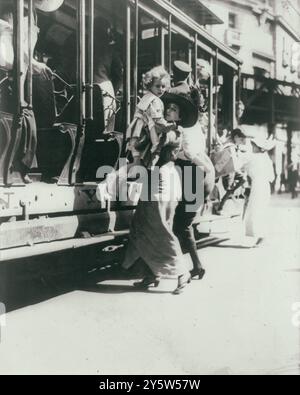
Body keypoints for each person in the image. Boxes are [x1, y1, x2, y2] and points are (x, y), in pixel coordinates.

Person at [0, 0, 61, 183]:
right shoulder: (10, 10)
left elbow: (24, 49)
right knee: (21, 119)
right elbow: (8, 51)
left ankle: (18, 169)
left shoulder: (31, 12)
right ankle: (13, 169)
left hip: (21, 75)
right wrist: (34, 63)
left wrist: (33, 64)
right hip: (8, 74)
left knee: (27, 122)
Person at [162, 93, 215, 280]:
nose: (168, 110)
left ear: (181, 115)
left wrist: (206, 168)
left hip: (192, 175)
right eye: (168, 108)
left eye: (173, 109)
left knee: (181, 225)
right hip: (191, 175)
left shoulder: (184, 131)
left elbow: (192, 155)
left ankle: (184, 269)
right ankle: (196, 266)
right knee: (183, 225)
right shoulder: (188, 128)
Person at [61, 17, 123, 133]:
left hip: (77, 91)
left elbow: (66, 66)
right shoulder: (111, 51)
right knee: (102, 131)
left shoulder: (79, 44)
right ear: (107, 32)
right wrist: (112, 92)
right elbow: (118, 76)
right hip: (103, 93)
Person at [126, 66, 176, 170]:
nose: (161, 89)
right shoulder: (155, 100)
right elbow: (157, 120)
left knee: (136, 163)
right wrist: (169, 126)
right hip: (144, 134)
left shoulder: (147, 97)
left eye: (163, 86)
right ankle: (114, 178)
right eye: (157, 86)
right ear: (149, 85)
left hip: (136, 133)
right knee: (143, 161)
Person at [242, 136, 275, 246]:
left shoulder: (253, 157)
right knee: (260, 210)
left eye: (254, 146)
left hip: (258, 186)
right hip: (265, 186)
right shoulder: (266, 159)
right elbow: (272, 177)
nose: (252, 147)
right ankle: (261, 236)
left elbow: (241, 164)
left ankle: (261, 236)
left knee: (255, 210)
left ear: (259, 148)